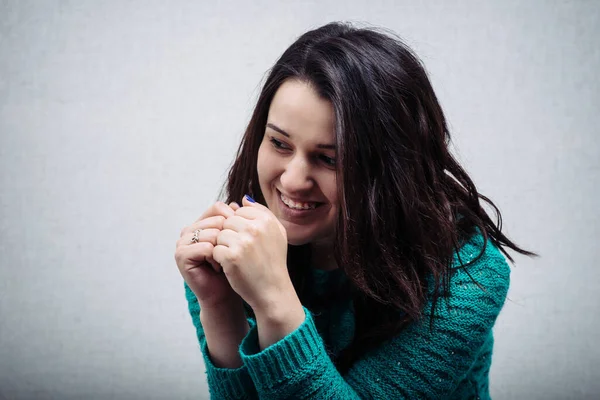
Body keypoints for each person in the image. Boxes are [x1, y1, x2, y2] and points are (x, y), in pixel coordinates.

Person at [174, 22, 534, 399]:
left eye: (329, 159)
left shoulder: (466, 278)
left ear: (391, 170)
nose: (293, 180)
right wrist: (219, 307)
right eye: (279, 143)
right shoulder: (234, 250)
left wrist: (275, 301)